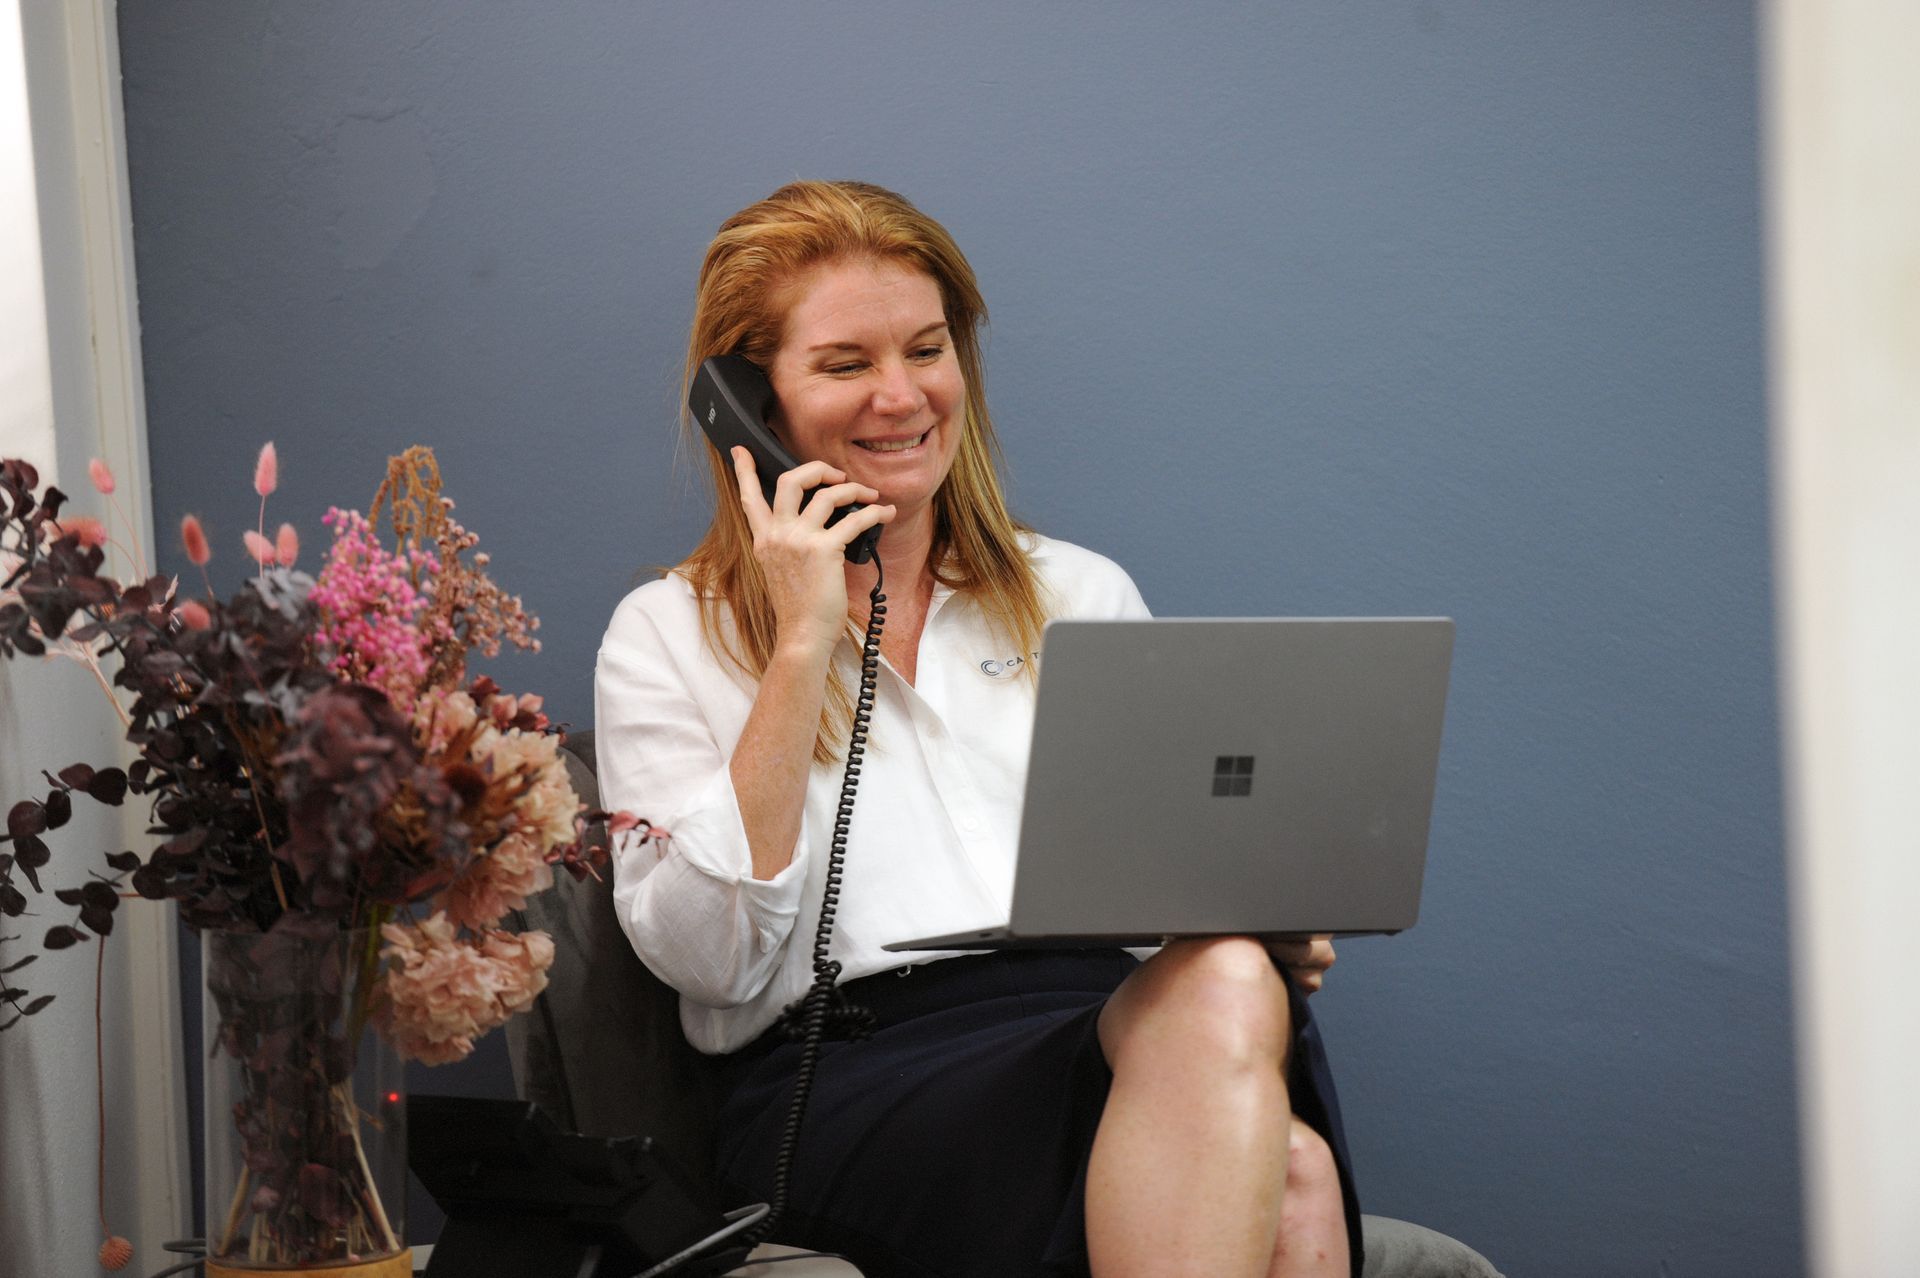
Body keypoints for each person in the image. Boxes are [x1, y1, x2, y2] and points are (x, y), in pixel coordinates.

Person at [595, 180, 1358, 1278]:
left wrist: (1258, 908)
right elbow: (709, 961)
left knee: (1238, 984)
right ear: (748, 403)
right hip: (850, 1083)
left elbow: (1167, 898)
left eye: (926, 350)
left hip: (1111, 1040)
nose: (902, 397)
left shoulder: (1079, 594)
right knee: (1289, 1175)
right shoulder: (667, 633)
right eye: (846, 364)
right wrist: (803, 646)